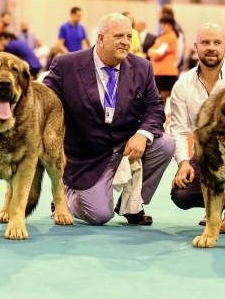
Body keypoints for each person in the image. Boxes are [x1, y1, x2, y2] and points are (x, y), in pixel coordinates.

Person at [43, 13, 175, 226]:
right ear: (101, 38)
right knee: (99, 216)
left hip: (126, 147)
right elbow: (43, 101)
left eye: (129, 36)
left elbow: (155, 108)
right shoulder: (66, 65)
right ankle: (66, 197)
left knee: (166, 145)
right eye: (118, 36)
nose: (125, 42)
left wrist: (142, 134)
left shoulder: (143, 67)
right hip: (86, 156)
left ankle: (131, 205)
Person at [169, 23, 225, 232]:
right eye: (205, 42)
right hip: (205, 156)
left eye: (216, 42)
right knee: (181, 194)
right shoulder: (182, 84)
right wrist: (183, 162)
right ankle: (218, 200)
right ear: (196, 46)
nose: (211, 47)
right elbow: (177, 128)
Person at [148, 17, 179, 106]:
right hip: (159, 71)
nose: (162, 26)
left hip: (167, 73)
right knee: (156, 98)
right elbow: (151, 50)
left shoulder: (171, 37)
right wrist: (153, 52)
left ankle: (161, 119)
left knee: (162, 99)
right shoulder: (163, 36)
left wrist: (153, 53)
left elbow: (158, 53)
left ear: (170, 25)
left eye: (164, 24)